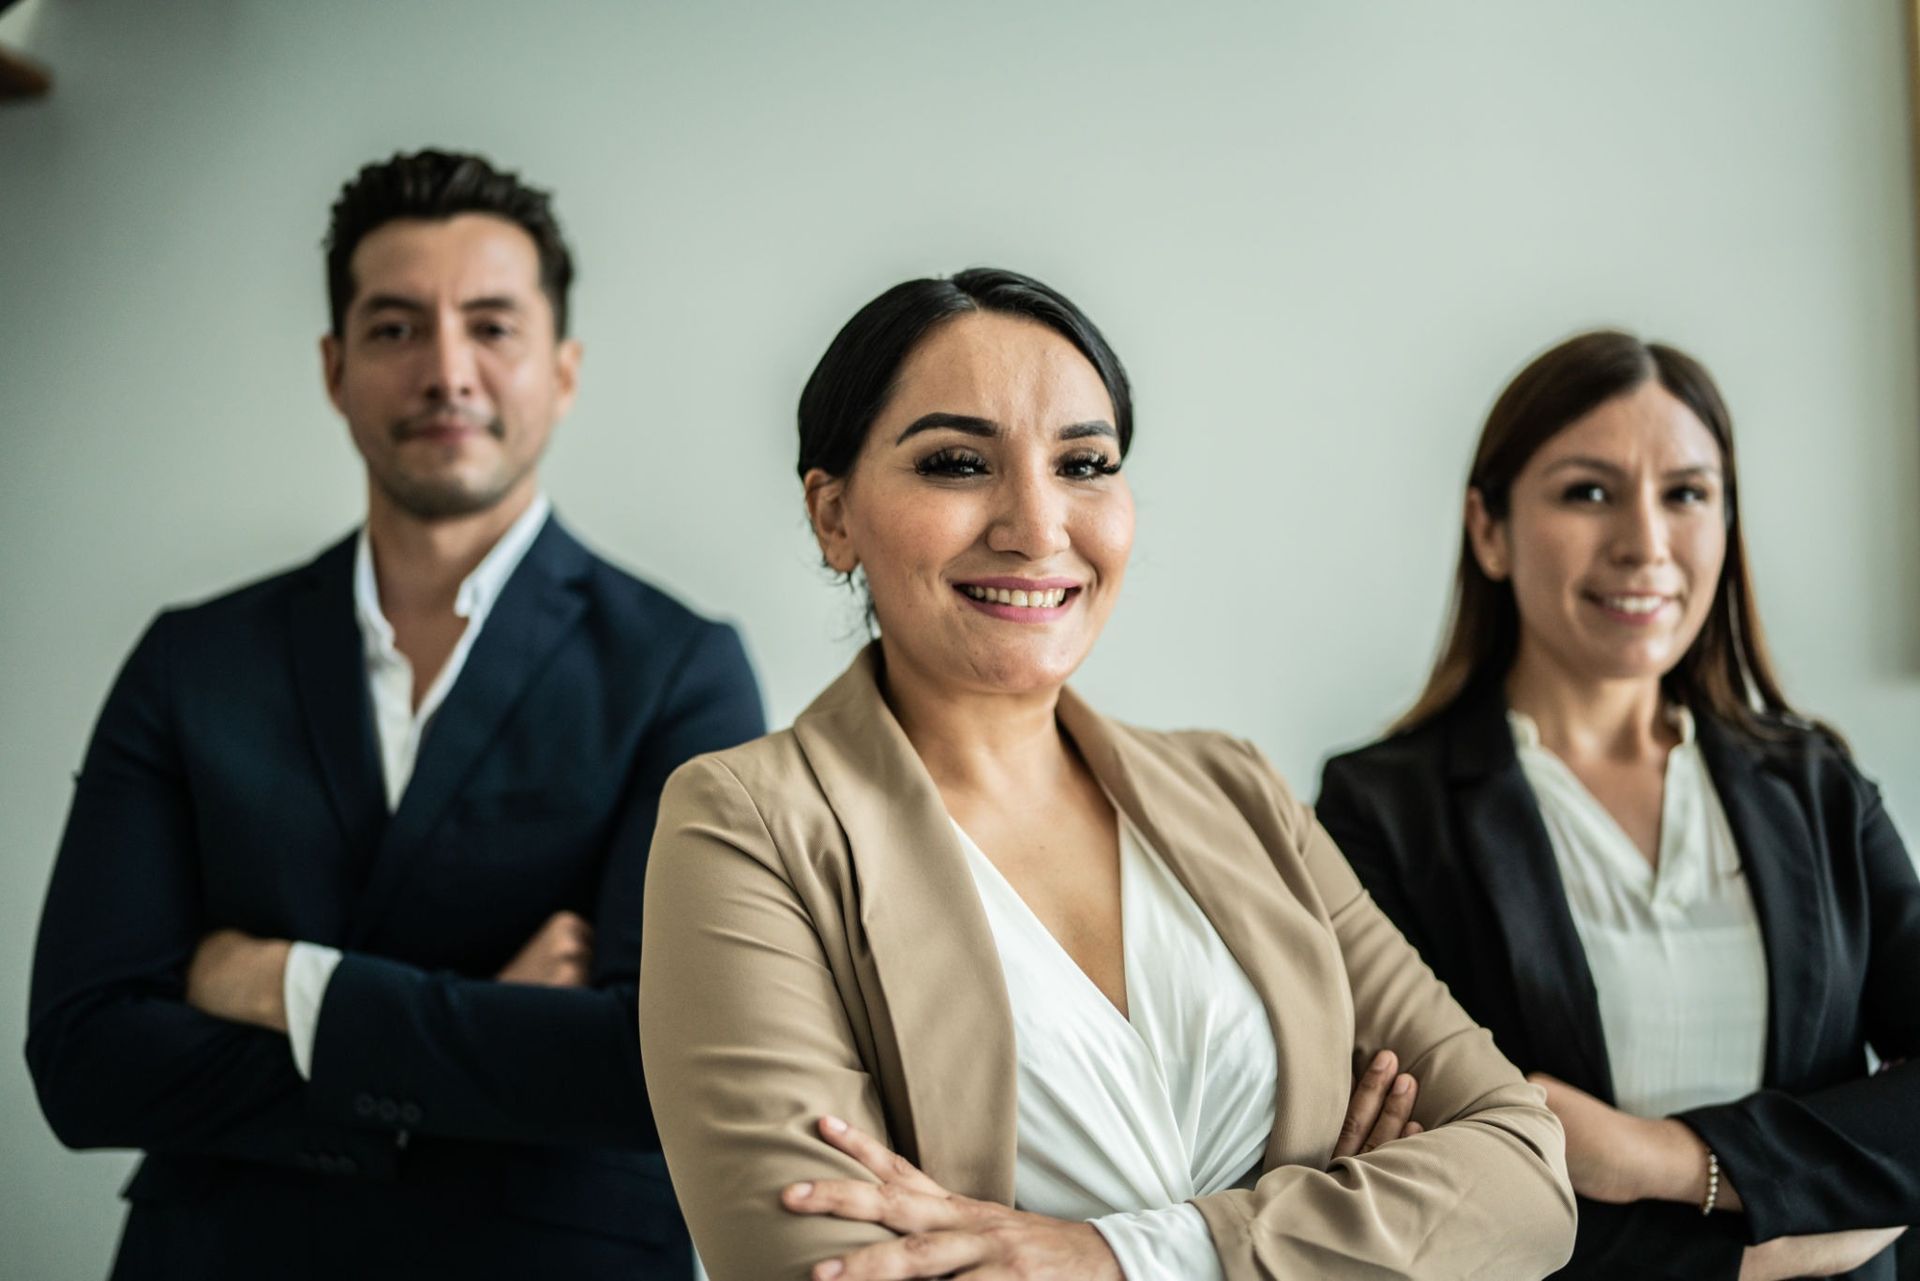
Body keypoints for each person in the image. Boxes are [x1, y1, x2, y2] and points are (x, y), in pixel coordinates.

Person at [638, 267, 1575, 1281]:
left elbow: (1523, 1177)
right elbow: (821, 1268)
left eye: (1084, 462)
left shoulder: (1237, 790)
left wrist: (1124, 1255)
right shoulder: (747, 826)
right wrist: (1350, 1232)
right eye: (957, 462)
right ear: (834, 516)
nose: (1038, 528)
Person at [25, 149, 764, 1280]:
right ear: (333, 368)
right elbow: (86, 1063)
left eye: (492, 326)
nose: (447, 370)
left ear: (562, 369)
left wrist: (275, 982)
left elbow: (656, 1065)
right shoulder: (194, 658)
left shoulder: (680, 670)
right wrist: (485, 1029)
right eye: (395, 328)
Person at [1317, 330, 1920, 1280]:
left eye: (1687, 493)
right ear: (1490, 530)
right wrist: (1769, 1246)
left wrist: (1671, 1161)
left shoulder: (1817, 785)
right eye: (1587, 491)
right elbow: (1417, 1172)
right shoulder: (1381, 812)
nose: (1645, 543)